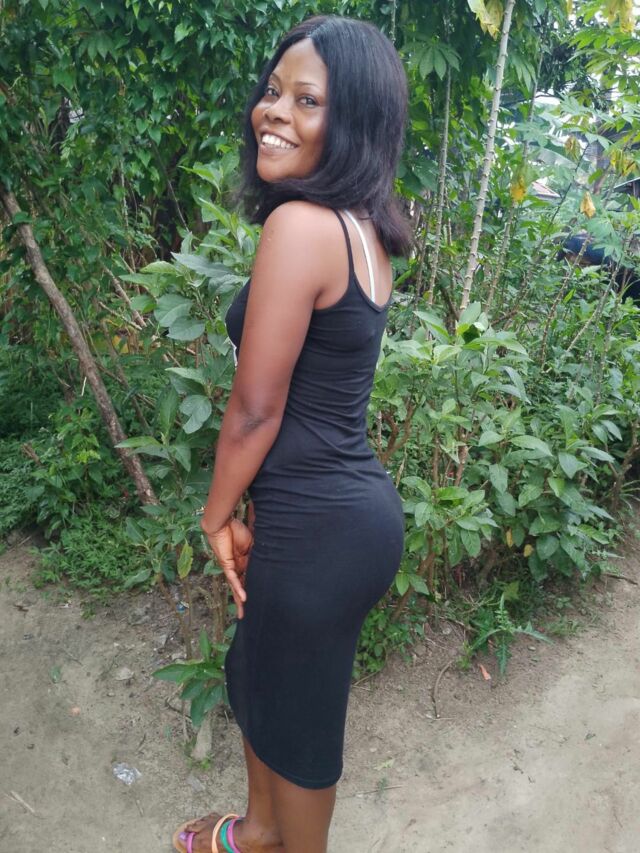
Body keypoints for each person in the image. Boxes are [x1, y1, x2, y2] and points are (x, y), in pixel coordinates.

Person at [173, 14, 411, 853]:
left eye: (307, 100)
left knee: (299, 720)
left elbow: (255, 409)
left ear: (353, 122)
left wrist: (215, 513)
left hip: (320, 528)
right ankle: (261, 828)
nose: (273, 111)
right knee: (259, 673)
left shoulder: (302, 228)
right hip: (330, 515)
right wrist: (255, 510)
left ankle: (285, 837)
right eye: (273, 91)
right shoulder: (362, 228)